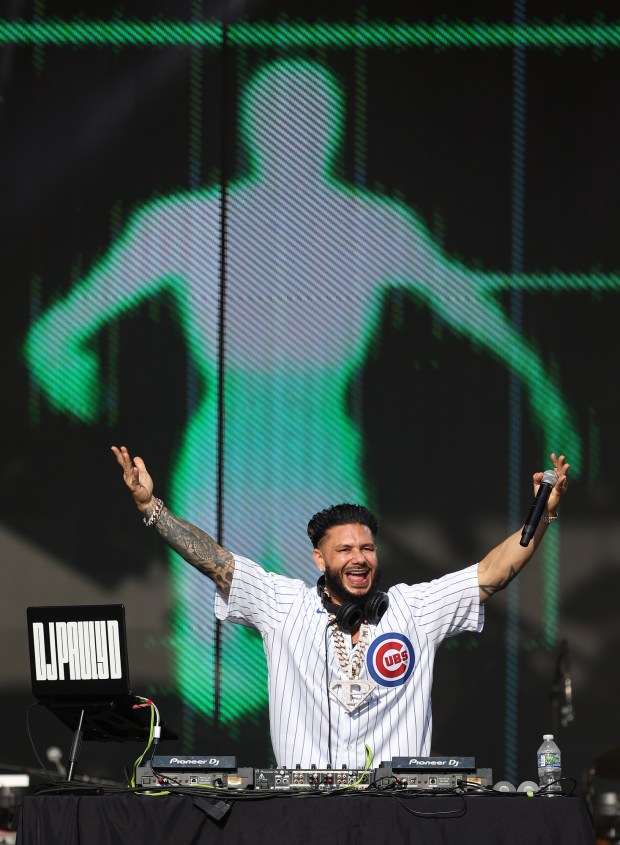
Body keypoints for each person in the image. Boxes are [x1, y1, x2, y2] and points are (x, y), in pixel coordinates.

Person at [112, 444, 569, 769]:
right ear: (320, 558)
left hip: (400, 817)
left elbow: (492, 573)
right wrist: (152, 507)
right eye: (346, 549)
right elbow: (216, 562)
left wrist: (542, 514)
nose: (359, 558)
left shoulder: (412, 609)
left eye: (367, 549)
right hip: (304, 814)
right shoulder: (282, 604)